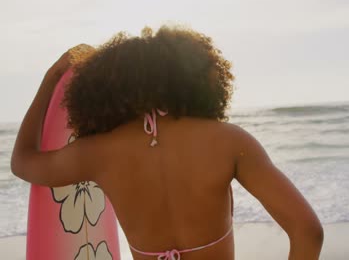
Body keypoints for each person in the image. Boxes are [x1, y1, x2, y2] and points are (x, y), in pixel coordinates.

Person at [11, 25, 323, 259]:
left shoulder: (96, 153)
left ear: (104, 90)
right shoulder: (229, 142)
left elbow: (23, 162)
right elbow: (307, 230)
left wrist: (52, 77)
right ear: (194, 76)